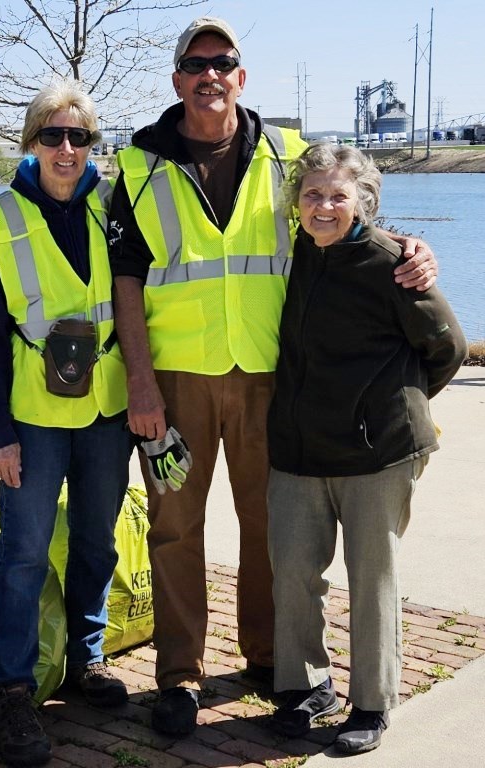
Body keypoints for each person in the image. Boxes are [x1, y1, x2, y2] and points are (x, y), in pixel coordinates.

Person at [107, 16, 439, 737]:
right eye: (195, 63)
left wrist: (408, 245)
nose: (209, 74)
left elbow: (342, 213)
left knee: (271, 530)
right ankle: (179, 675)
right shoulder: (136, 167)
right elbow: (124, 282)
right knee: (172, 527)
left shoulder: (286, 154)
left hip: (270, 381)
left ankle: (265, 661)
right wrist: (140, 384)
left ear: (240, 76)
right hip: (175, 380)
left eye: (222, 61)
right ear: (177, 80)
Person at [265, 143, 466, 754]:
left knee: (370, 576)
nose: (323, 206)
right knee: (295, 571)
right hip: (297, 448)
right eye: (312, 194)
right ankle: (305, 686)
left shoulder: (391, 263)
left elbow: (448, 347)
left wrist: (392, 403)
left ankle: (372, 703)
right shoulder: (286, 256)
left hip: (378, 453)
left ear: (363, 203)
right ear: (295, 203)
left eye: (338, 196)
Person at [0, 78, 134, 767]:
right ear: (31, 141)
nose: (66, 150)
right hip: (32, 418)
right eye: (52, 135)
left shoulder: (115, 208)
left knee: (96, 539)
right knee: (24, 553)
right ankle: (8, 687)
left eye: (79, 137)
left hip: (105, 409)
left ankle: (83, 659)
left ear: (93, 144)